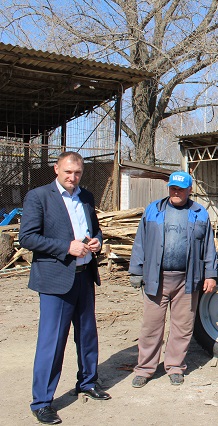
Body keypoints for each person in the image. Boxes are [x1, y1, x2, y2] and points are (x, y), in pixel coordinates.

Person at [19, 151, 110, 425]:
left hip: (84, 276)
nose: (73, 177)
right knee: (52, 342)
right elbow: (27, 237)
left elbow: (96, 229)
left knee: (87, 335)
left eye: (78, 173)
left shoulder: (86, 197)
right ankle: (42, 402)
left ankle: (88, 382)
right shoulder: (39, 197)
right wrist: (65, 247)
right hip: (55, 280)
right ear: (56, 169)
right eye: (68, 172)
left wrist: (96, 241)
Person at [129, 171, 217, 388]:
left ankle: (175, 366)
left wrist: (211, 274)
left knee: (182, 326)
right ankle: (145, 369)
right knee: (151, 326)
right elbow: (140, 241)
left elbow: (209, 247)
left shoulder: (199, 213)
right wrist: (136, 271)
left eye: (180, 189)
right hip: (156, 279)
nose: (175, 192)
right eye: (172, 188)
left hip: (187, 280)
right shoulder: (153, 210)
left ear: (189, 190)